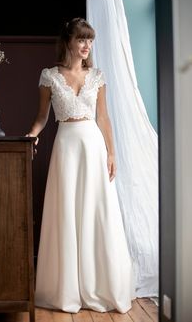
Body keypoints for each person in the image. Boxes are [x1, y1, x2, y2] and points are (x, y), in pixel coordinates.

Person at [26, 17, 136, 313]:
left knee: (96, 211)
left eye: (90, 40)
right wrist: (31, 136)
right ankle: (65, 289)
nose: (87, 45)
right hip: (66, 148)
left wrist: (111, 153)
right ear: (69, 42)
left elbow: (103, 118)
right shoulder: (49, 76)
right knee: (67, 213)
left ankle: (100, 285)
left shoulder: (98, 76)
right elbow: (41, 117)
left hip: (93, 147)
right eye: (81, 39)